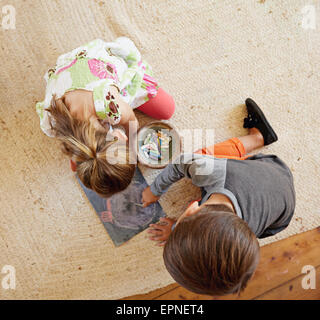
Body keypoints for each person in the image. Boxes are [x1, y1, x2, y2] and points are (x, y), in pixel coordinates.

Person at [142, 98, 296, 296]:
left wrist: (175, 228)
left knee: (201, 159)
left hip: (281, 207)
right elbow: (181, 162)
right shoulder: (214, 172)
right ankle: (258, 137)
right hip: (270, 171)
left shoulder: (243, 234)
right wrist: (154, 190)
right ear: (190, 208)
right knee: (199, 156)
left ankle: (259, 137)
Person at [36, 37, 175, 197]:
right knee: (166, 109)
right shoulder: (58, 125)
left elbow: (131, 120)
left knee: (167, 109)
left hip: (91, 65)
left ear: (119, 135)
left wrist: (133, 145)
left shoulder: (110, 105)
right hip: (71, 74)